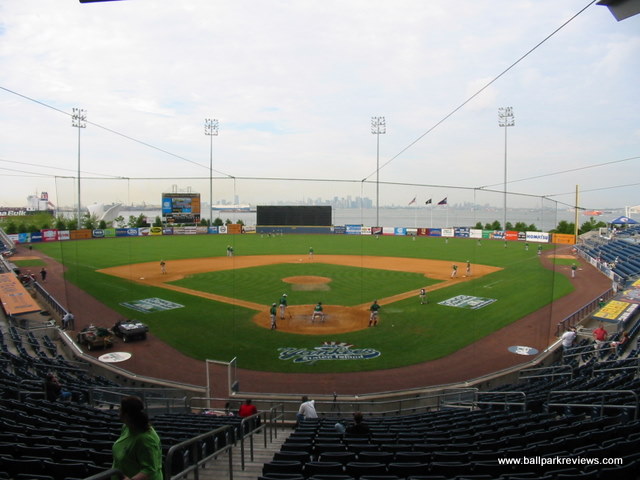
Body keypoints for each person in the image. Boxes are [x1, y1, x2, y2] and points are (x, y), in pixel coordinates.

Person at [112, 396, 163, 480]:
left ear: (127, 415)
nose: (118, 413)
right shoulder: (126, 427)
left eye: (120, 410)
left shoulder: (145, 439)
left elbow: (150, 469)